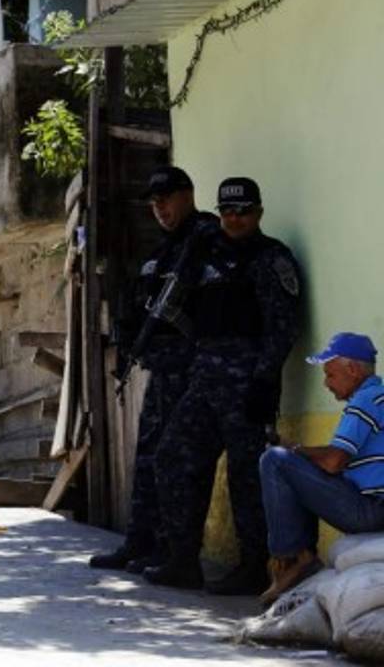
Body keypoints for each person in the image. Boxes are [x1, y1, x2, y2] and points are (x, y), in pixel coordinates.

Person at [147, 177, 301, 594]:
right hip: (204, 379)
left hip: (247, 384)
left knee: (247, 476)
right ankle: (183, 559)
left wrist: (265, 381)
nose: (234, 219)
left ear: (259, 213)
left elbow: (282, 327)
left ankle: (254, 566)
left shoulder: (272, 259)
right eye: (227, 212)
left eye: (243, 211)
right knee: (173, 458)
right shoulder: (204, 258)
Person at [90, 167, 218, 572]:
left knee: (178, 462)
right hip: (163, 370)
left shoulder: (207, 239)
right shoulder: (162, 252)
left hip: (195, 371)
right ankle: (139, 542)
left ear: (188, 194)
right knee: (147, 459)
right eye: (153, 201)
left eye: (166, 197)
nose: (159, 207)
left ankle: (175, 553)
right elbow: (136, 303)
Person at [257, 332, 384, 606]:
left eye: (330, 375)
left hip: (370, 510)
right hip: (374, 507)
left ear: (352, 369)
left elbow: (333, 462)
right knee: (291, 463)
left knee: (274, 461)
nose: (326, 384)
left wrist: (293, 452)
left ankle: (292, 558)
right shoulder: (378, 398)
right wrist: (299, 452)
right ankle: (299, 558)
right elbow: (337, 457)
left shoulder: (365, 401)